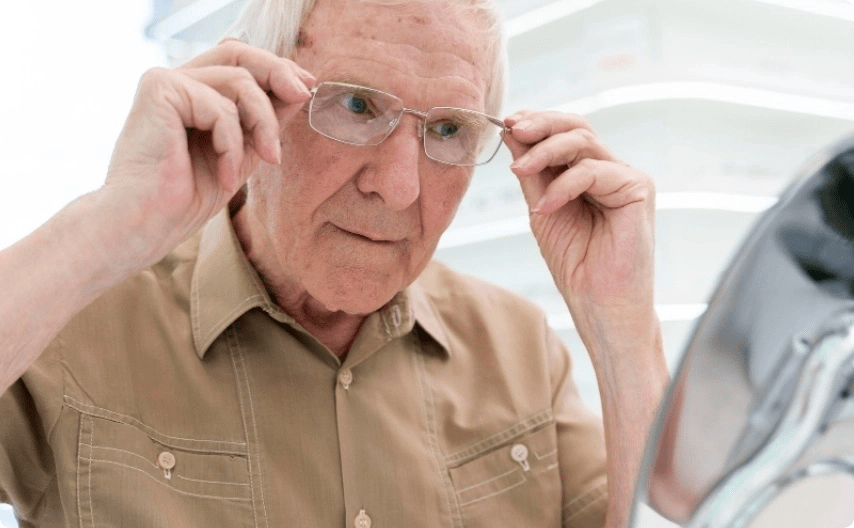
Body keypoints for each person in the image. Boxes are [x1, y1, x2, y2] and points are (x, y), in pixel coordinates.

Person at [0, 0, 668, 526]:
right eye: (356, 105)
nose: (400, 188)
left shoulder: (521, 350)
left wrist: (624, 331)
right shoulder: (71, 324)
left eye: (446, 130)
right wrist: (105, 226)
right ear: (251, 96)